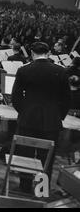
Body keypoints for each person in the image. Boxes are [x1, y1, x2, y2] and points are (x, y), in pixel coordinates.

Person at [11, 42, 71, 193]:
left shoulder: (24, 70)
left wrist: (23, 112)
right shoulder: (61, 71)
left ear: (31, 53)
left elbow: (15, 97)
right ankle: (41, 189)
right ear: (49, 52)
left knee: (26, 154)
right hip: (51, 122)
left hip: (28, 120)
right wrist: (59, 116)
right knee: (47, 159)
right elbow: (66, 99)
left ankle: (24, 187)